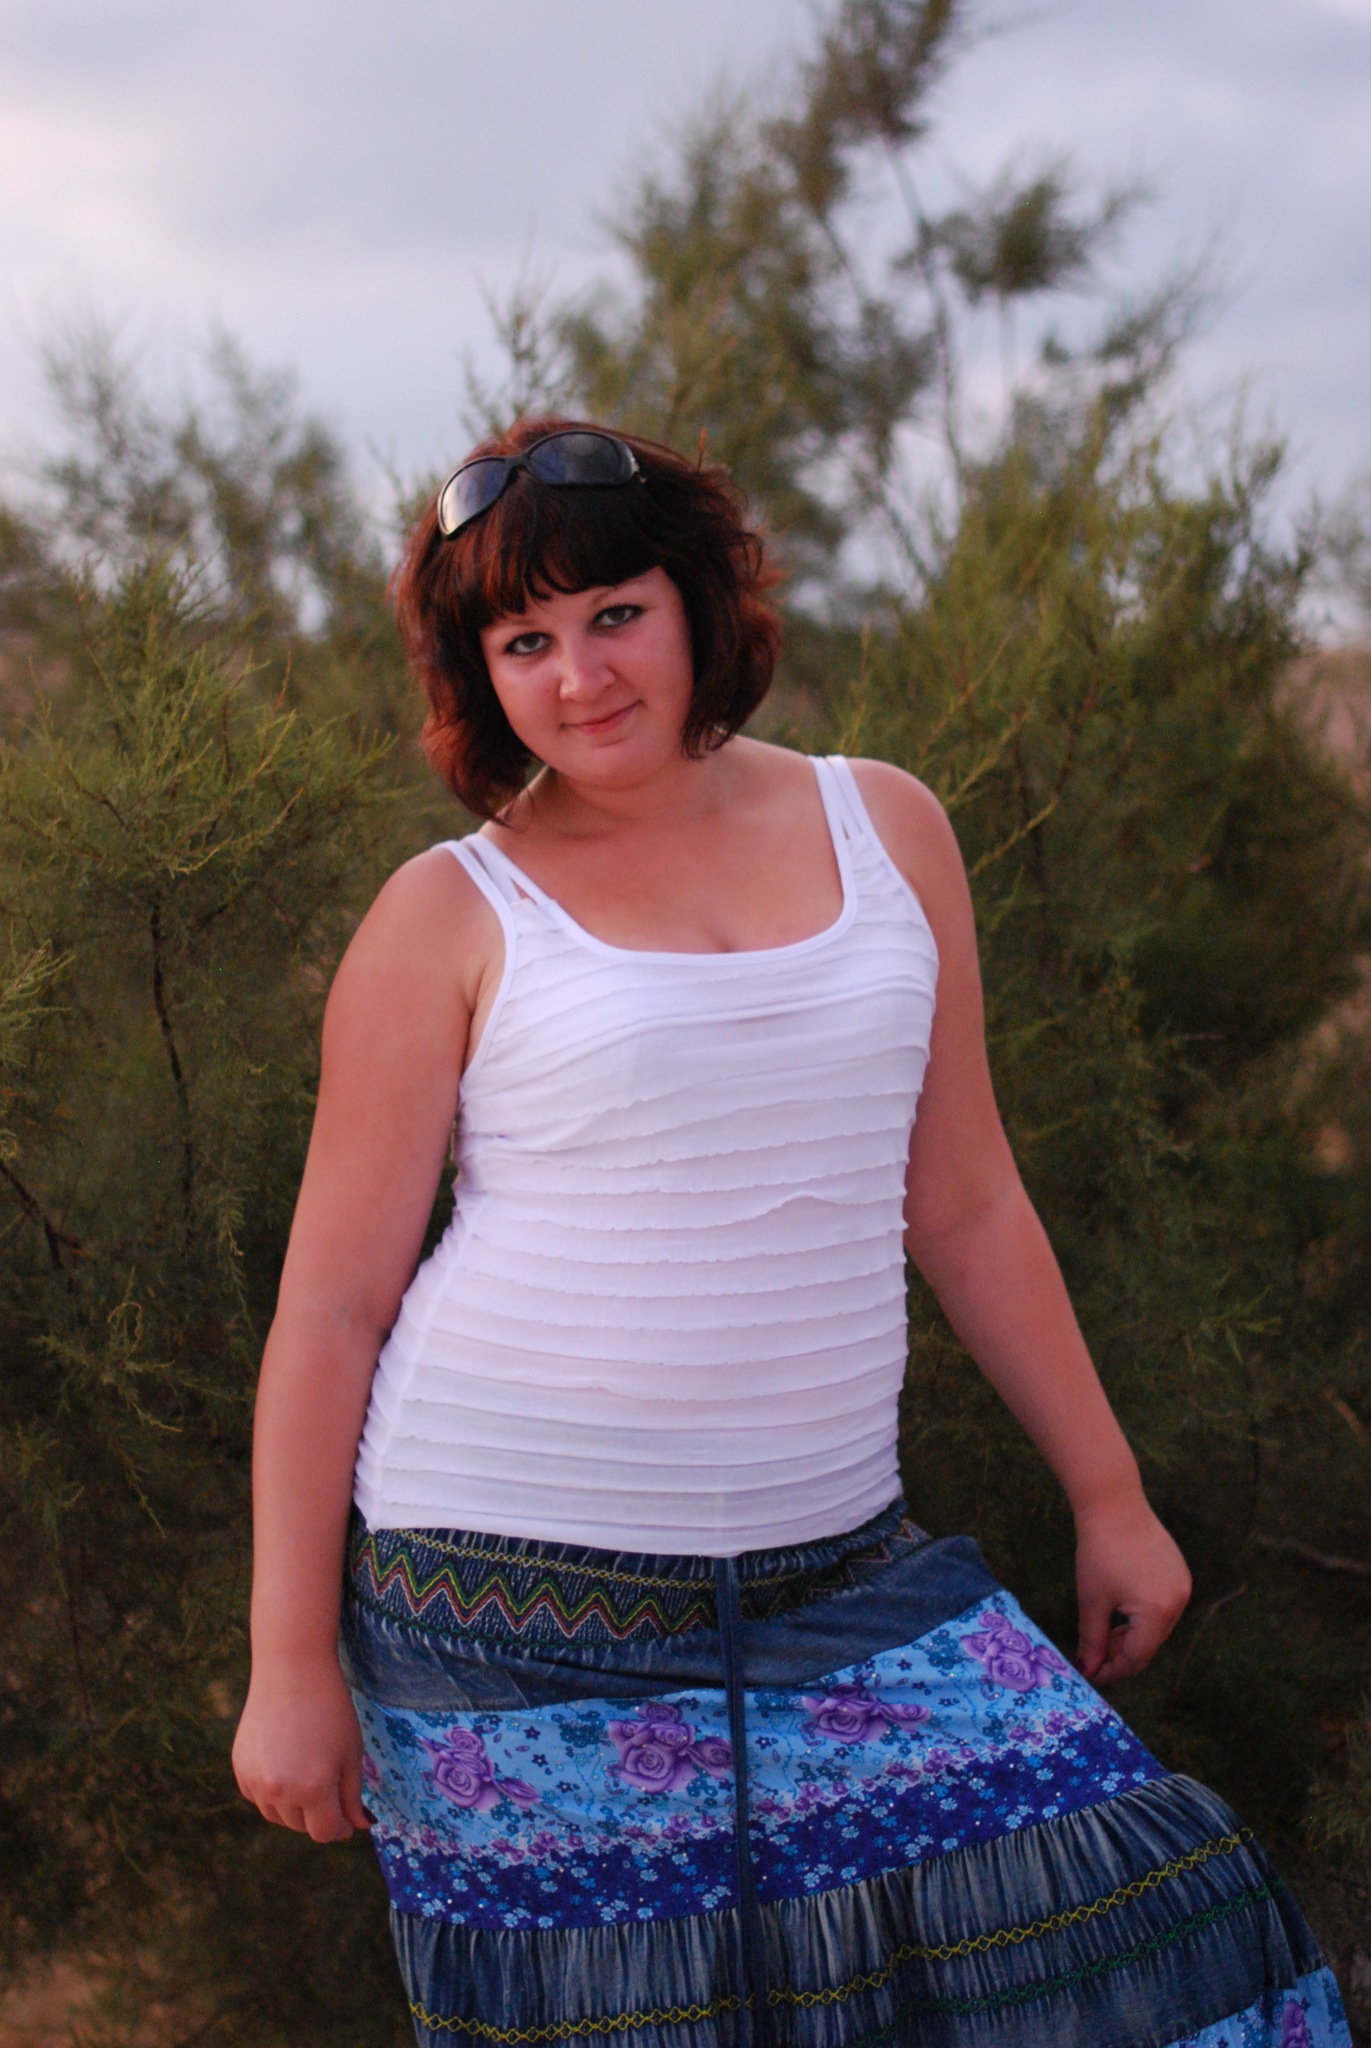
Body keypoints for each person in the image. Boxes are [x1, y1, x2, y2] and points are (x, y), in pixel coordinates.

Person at [232, 419, 1348, 2048]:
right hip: (505, 1606)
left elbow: (964, 1196)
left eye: (616, 614)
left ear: (696, 603)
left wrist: (1108, 1495)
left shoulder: (885, 826)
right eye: (524, 643)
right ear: (480, 675)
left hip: (835, 1568)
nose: (581, 676)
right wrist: (287, 1660)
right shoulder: (450, 911)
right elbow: (334, 1307)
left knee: (1167, 1923)